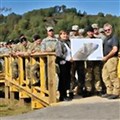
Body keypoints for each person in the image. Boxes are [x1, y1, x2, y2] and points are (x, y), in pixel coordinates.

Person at [102, 23, 120, 99]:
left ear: (111, 29)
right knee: (105, 76)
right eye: (105, 30)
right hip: (106, 60)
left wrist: (106, 57)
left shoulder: (114, 37)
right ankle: (109, 92)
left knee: (113, 76)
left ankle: (116, 93)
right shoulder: (105, 39)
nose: (107, 31)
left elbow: (115, 49)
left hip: (112, 59)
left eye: (108, 29)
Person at [85, 25, 103, 96]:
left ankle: (98, 90)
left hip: (96, 61)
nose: (91, 33)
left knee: (97, 76)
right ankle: (88, 90)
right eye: (89, 32)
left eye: (92, 32)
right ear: (87, 33)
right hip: (88, 61)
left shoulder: (97, 40)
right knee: (88, 77)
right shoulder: (84, 40)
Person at [56, 30, 72, 101]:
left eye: (66, 34)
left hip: (69, 62)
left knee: (68, 78)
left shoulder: (69, 42)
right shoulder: (59, 43)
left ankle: (67, 93)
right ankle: (62, 95)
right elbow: (59, 53)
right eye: (63, 34)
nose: (65, 35)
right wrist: (67, 58)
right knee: (62, 79)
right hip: (62, 63)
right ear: (60, 35)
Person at [70, 25, 86, 97]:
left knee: (81, 75)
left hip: (80, 59)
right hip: (73, 59)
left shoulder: (82, 38)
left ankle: (80, 89)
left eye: (75, 30)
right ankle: (72, 89)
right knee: (71, 75)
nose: (74, 32)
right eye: (73, 30)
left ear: (78, 30)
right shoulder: (70, 38)